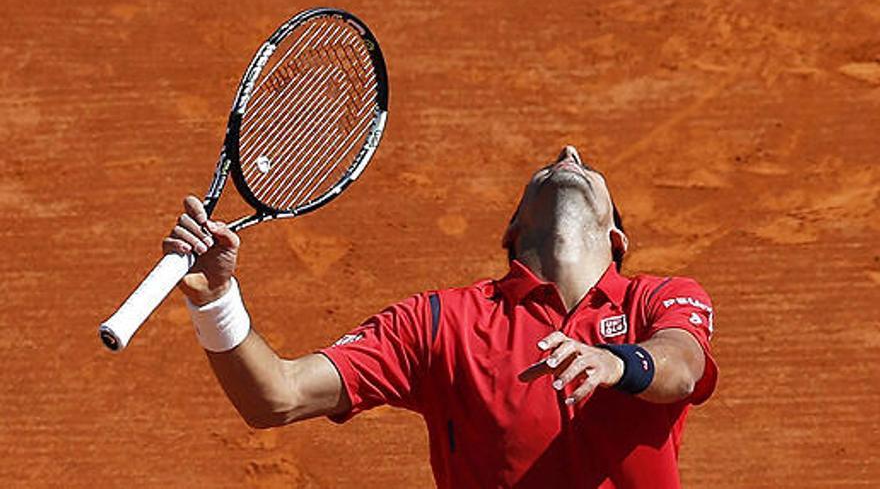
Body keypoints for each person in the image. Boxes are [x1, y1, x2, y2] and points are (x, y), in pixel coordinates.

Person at [165, 145, 717, 488]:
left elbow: (682, 366)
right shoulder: (438, 323)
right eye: (551, 166)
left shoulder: (656, 298)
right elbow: (275, 397)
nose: (568, 153)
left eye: (583, 166)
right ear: (513, 232)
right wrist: (216, 297)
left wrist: (615, 364)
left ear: (615, 237)